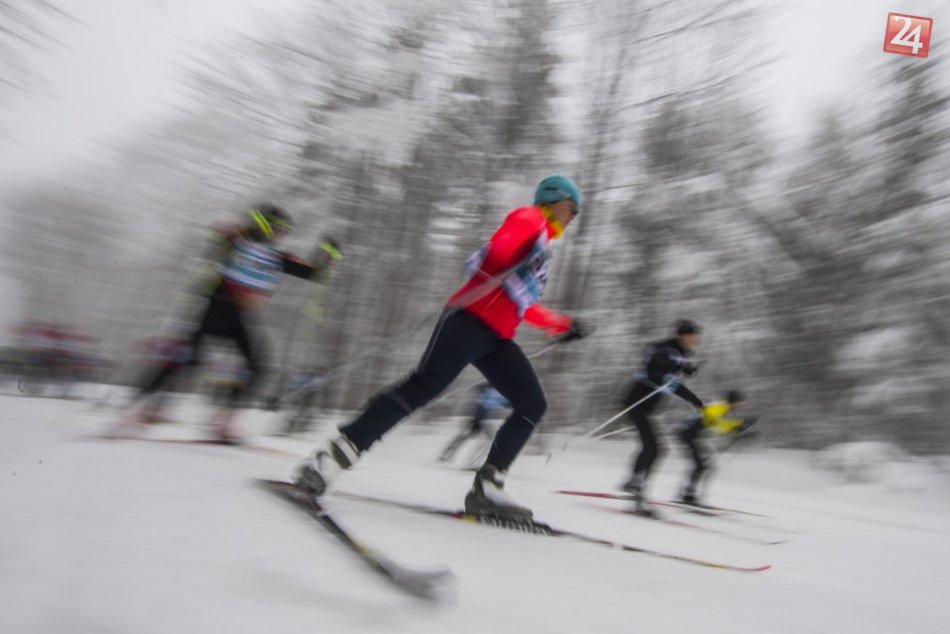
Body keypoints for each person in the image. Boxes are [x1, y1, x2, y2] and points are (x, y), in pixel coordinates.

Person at [295, 175, 588, 521]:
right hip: (467, 320)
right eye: (572, 208)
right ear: (555, 199)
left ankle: (488, 488)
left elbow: (520, 303)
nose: (574, 216)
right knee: (421, 388)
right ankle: (331, 458)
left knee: (531, 403)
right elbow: (498, 252)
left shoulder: (542, 245)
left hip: (497, 338)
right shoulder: (531, 218)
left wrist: (562, 324)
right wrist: (515, 248)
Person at [112, 204, 328, 443]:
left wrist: (327, 253)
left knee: (257, 366)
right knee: (186, 359)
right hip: (216, 309)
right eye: (278, 228)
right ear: (264, 223)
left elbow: (314, 273)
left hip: (240, 317)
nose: (280, 233)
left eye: (284, 230)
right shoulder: (239, 240)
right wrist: (229, 230)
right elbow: (217, 238)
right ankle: (134, 411)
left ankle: (223, 421)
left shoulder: (277, 257)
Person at [621, 319, 705, 517]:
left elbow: (674, 373)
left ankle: (634, 483)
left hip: (645, 408)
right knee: (654, 447)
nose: (696, 339)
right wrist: (694, 399)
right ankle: (636, 489)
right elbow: (658, 367)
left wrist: (686, 369)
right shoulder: (667, 350)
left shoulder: (678, 353)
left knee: (653, 447)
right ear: (683, 335)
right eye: (693, 336)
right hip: (637, 403)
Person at [676, 389, 756, 506]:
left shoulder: (724, 408)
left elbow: (719, 424)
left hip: (693, 435)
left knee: (705, 465)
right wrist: (737, 427)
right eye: (739, 402)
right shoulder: (720, 407)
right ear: (733, 401)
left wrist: (739, 426)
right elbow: (715, 423)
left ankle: (687, 493)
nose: (740, 405)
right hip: (687, 434)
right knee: (701, 465)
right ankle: (687, 495)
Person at [437, 383, 511, 466]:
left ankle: (448, 454)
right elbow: (502, 403)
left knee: (467, 436)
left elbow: (504, 403)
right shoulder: (492, 390)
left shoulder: (492, 390)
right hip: (479, 418)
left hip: (480, 418)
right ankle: (470, 461)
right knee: (484, 439)